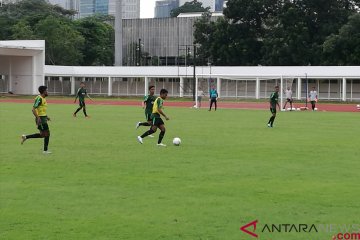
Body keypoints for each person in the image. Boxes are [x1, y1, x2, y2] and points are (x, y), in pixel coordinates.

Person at [21, 86, 52, 154]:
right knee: (47, 134)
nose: (47, 92)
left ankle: (25, 137)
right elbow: (33, 109)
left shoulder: (43, 98)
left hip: (43, 118)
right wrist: (38, 118)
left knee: (42, 135)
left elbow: (41, 110)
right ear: (43, 91)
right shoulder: (39, 98)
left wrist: (46, 117)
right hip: (41, 120)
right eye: (46, 90)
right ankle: (45, 150)